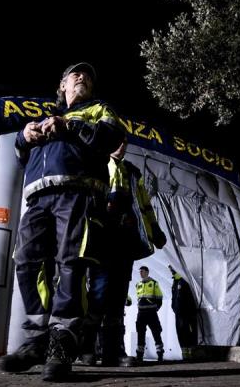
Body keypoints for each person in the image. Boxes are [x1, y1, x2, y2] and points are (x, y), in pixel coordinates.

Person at [0, 62, 125, 381]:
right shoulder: (44, 118)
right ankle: (38, 337)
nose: (81, 77)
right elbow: (21, 156)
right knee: (26, 262)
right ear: (62, 85)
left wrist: (72, 128)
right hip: (38, 197)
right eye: (74, 75)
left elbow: (112, 137)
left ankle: (63, 346)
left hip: (78, 194)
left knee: (72, 263)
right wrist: (24, 137)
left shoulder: (98, 109)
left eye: (87, 76)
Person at [80, 139, 166, 367]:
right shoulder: (94, 165)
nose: (120, 146)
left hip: (125, 241)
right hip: (101, 239)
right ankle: (87, 348)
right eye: (115, 141)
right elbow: (87, 198)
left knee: (118, 296)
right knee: (98, 293)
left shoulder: (132, 172)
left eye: (124, 143)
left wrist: (155, 229)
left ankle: (114, 351)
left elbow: (144, 204)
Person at [135, 266, 165, 362]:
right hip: (141, 314)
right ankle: (139, 355)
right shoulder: (138, 284)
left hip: (151, 313)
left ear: (147, 272)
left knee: (156, 333)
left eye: (142, 271)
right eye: (140, 272)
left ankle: (160, 353)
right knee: (140, 334)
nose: (140, 273)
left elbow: (159, 297)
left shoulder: (154, 283)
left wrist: (155, 308)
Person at [168, 265, 198, 358]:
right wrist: (174, 308)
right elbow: (174, 297)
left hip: (187, 312)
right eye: (169, 268)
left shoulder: (184, 280)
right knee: (180, 332)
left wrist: (190, 309)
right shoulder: (175, 281)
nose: (170, 270)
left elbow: (190, 297)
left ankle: (192, 353)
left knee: (189, 332)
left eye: (171, 267)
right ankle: (185, 354)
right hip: (178, 312)